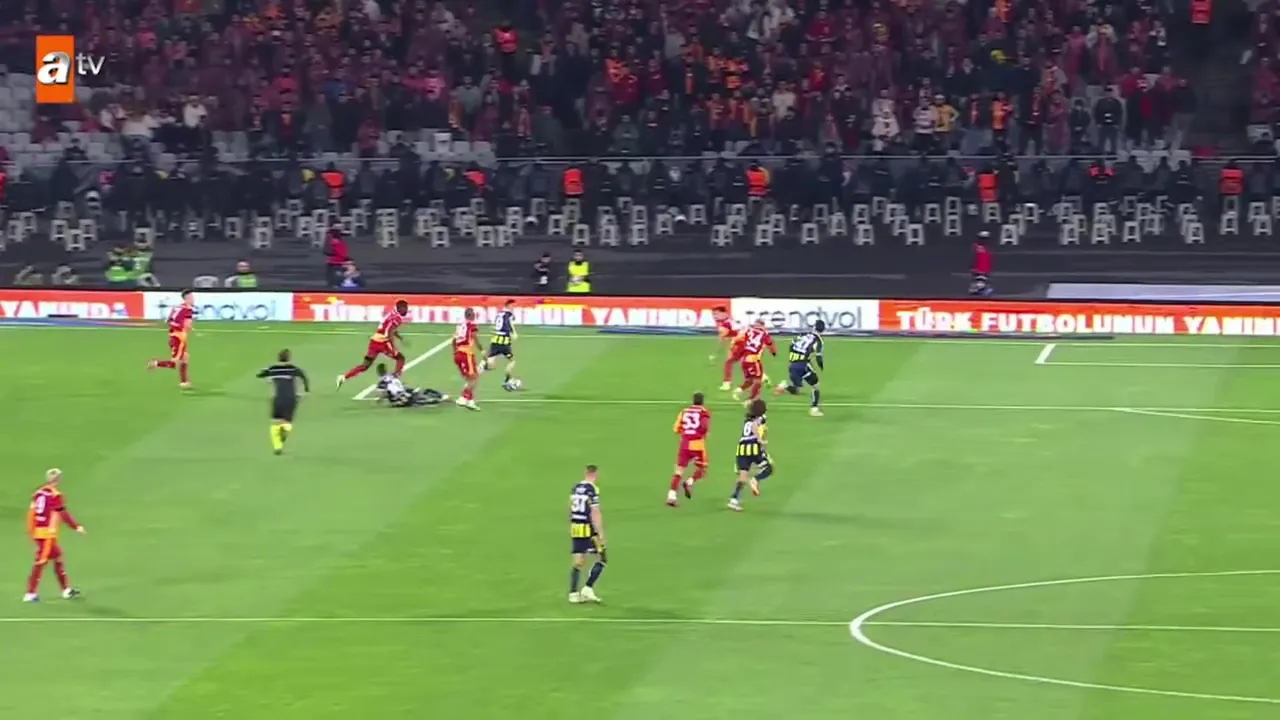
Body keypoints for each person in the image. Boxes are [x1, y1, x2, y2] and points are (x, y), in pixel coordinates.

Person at [25, 468, 84, 602]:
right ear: (58, 480)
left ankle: (66, 590)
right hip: (47, 534)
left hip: (38, 531)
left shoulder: (38, 493)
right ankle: (30, 593)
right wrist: (76, 526)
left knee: (57, 557)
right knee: (41, 561)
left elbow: (31, 513)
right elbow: (63, 514)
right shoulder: (55, 495)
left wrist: (31, 531)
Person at [336, 299, 409, 388]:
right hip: (383, 343)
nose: (406, 310)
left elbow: (389, 328)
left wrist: (400, 337)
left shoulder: (391, 314)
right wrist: (393, 347)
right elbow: (389, 332)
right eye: (405, 308)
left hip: (374, 341)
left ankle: (343, 377)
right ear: (400, 308)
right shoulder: (397, 318)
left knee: (365, 365)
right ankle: (395, 379)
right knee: (400, 358)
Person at [256, 349, 310, 455]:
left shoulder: (273, 369)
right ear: (289, 358)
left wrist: (265, 375)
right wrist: (306, 389)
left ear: (278, 358)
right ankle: (285, 430)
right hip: (291, 398)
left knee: (276, 423)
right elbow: (303, 376)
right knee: (288, 422)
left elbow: (261, 374)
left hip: (278, 398)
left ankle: (278, 447)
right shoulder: (293, 369)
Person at [569, 464, 607, 603]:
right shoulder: (592, 489)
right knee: (602, 558)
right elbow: (595, 512)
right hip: (588, 529)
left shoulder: (575, 488)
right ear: (595, 475)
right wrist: (600, 533)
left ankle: (573, 593)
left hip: (576, 527)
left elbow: (570, 508)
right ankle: (588, 588)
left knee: (578, 561)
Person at [729, 399, 773, 512]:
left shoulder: (747, 418)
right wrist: (760, 440)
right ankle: (755, 479)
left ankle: (734, 499)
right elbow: (755, 426)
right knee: (768, 468)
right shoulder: (760, 418)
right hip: (753, 446)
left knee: (742, 477)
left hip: (741, 449)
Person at [668, 393, 711, 507]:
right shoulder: (704, 412)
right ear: (702, 401)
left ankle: (671, 496)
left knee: (678, 471)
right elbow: (704, 427)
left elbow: (676, 429)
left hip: (684, 444)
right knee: (702, 468)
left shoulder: (684, 411)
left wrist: (686, 433)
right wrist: (704, 434)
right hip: (697, 445)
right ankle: (689, 482)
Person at [775, 320, 825, 416]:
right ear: (823, 330)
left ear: (814, 327)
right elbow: (819, 356)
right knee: (815, 385)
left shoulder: (804, 334)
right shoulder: (818, 340)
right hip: (802, 364)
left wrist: (794, 357)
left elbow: (792, 344)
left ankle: (784, 386)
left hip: (792, 364)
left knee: (797, 390)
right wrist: (821, 366)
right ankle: (814, 409)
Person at [147, 288, 193, 388]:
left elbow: (168, 320)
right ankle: (156, 363)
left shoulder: (177, 307)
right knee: (174, 363)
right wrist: (187, 329)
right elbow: (188, 325)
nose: (193, 299)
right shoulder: (188, 309)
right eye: (191, 297)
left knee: (185, 357)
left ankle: (184, 382)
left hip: (173, 335)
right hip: (179, 338)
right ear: (187, 298)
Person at [731, 320, 776, 405]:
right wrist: (773, 353)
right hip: (753, 359)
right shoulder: (764, 333)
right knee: (758, 381)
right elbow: (770, 344)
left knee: (749, 380)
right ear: (762, 326)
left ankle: (738, 391)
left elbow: (737, 340)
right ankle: (750, 400)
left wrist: (734, 349)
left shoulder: (749, 331)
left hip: (744, 359)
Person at [483, 299, 521, 390]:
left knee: (490, 363)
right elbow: (509, 323)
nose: (514, 308)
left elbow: (497, 325)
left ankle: (481, 368)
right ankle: (507, 381)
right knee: (512, 361)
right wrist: (513, 333)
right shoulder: (509, 314)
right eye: (513, 306)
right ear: (509, 306)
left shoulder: (499, 313)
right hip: (504, 341)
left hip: (495, 340)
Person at [374, 362, 447, 407]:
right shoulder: (393, 375)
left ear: (379, 372)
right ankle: (441, 396)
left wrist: (379, 399)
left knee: (418, 400)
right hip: (403, 395)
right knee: (422, 393)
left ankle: (436, 400)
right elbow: (399, 385)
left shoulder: (381, 382)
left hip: (398, 400)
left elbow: (384, 393)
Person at [452, 307, 481, 410]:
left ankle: (470, 401)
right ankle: (463, 397)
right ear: (472, 315)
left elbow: (453, 339)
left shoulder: (460, 325)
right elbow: (475, 337)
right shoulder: (471, 325)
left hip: (458, 353)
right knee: (474, 378)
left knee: (469, 379)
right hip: (466, 353)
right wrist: (482, 350)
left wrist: (455, 352)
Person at [711, 306, 740, 391]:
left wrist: (715, 353)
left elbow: (722, 340)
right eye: (713, 314)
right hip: (746, 342)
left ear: (724, 313)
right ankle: (763, 378)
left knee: (728, 363)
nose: (715, 316)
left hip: (740, 343)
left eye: (716, 314)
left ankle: (726, 384)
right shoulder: (730, 321)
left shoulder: (725, 324)